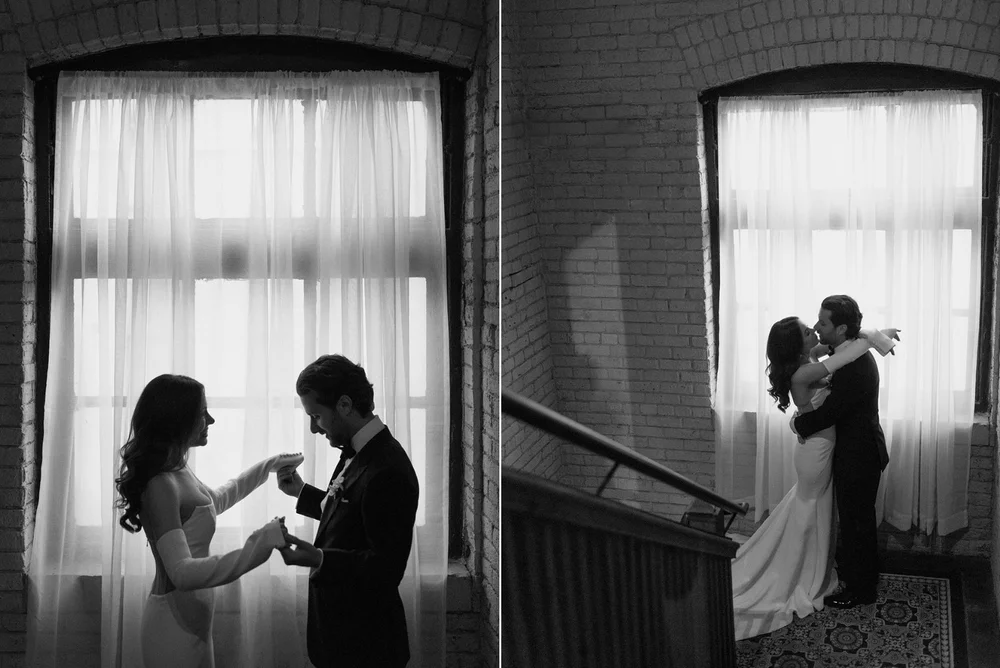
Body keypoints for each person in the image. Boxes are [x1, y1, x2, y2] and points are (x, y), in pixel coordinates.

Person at [114, 373, 304, 668]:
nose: (211, 420)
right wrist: (259, 543)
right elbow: (182, 573)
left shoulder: (178, 468)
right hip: (172, 630)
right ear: (177, 419)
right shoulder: (161, 485)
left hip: (194, 623)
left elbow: (214, 502)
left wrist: (269, 465)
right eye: (202, 413)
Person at [731, 314, 898, 639]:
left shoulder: (810, 356)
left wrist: (874, 333)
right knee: (811, 511)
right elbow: (846, 355)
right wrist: (880, 338)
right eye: (808, 331)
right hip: (817, 451)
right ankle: (804, 571)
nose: (814, 330)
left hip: (823, 446)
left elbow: (843, 344)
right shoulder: (807, 369)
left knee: (815, 510)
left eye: (816, 326)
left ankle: (812, 569)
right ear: (797, 345)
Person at [275, 354, 419, 668]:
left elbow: (387, 568)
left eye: (316, 415)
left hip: (366, 646)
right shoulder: (358, 448)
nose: (314, 429)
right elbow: (351, 513)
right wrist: (301, 492)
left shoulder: (388, 470)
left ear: (343, 405)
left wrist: (317, 558)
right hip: (340, 638)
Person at [792, 295, 892, 609]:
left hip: (859, 454)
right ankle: (857, 575)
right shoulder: (848, 352)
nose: (818, 327)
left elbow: (831, 413)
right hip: (855, 450)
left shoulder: (855, 365)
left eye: (823, 323)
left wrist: (799, 424)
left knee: (857, 522)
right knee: (855, 520)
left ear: (842, 328)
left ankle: (861, 591)